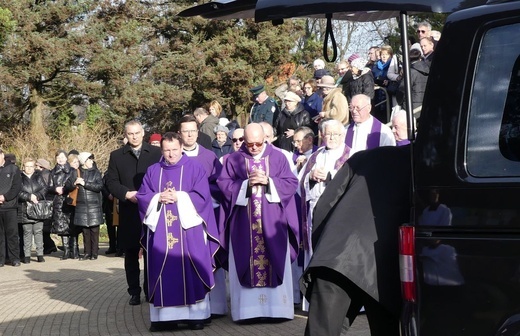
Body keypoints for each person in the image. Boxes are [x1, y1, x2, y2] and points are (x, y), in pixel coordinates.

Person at [302, 145, 411, 336]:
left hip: (335, 257)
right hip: (382, 265)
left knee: (321, 332)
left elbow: (324, 204)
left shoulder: (364, 157)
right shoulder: (422, 164)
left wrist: (324, 250)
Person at [136, 132, 220, 332]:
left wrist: (180, 197)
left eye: (174, 149)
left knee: (191, 267)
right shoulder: (153, 171)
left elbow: (203, 198)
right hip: (161, 235)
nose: (171, 154)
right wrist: (158, 198)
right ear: (162, 150)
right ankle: (164, 318)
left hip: (188, 232)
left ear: (181, 148)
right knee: (162, 269)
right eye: (167, 150)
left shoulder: (195, 168)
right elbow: (142, 196)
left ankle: (196, 316)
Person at [217, 123, 300, 322]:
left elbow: (291, 183)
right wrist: (246, 184)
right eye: (249, 143)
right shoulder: (234, 159)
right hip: (244, 224)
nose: (253, 147)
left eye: (258, 143)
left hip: (273, 222)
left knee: (274, 257)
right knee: (245, 257)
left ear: (265, 139)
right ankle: (248, 312)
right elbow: (223, 184)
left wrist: (269, 181)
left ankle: (277, 310)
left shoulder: (278, 157)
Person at [106, 120, 162, 306]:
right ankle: (134, 292)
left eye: (137, 133)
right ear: (126, 135)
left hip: (152, 210)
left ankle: (150, 290)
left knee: (150, 253)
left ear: (143, 132)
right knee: (130, 254)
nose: (134, 136)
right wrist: (125, 193)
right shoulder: (116, 156)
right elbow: (111, 181)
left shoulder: (156, 153)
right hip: (129, 211)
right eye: (131, 134)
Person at [67, 152, 104, 260]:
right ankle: (87, 253)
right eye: (89, 160)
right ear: (84, 162)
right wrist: (74, 183)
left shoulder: (96, 172)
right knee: (85, 231)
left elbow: (99, 186)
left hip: (94, 205)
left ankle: (95, 253)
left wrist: (85, 183)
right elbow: (67, 186)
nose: (91, 161)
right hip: (81, 205)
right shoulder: (75, 172)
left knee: (94, 230)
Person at [19, 158, 48, 263]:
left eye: (31, 166)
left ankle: (40, 254)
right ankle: (27, 255)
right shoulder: (19, 178)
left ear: (34, 167)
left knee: (38, 231)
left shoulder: (38, 177)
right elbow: (17, 192)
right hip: (24, 208)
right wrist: (28, 196)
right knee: (27, 232)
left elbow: (44, 189)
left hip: (38, 208)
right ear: (24, 167)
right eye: (27, 166)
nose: (29, 168)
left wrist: (36, 196)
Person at [49, 150, 76, 260]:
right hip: (58, 201)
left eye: (62, 157)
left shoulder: (72, 170)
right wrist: (55, 189)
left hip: (70, 199)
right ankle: (66, 250)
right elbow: (48, 187)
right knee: (61, 226)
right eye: (58, 157)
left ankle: (74, 249)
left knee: (72, 225)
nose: (60, 159)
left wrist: (65, 189)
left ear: (66, 158)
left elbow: (74, 184)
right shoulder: (52, 172)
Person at [0, 148, 22, 267]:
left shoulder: (13, 169)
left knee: (12, 234)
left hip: (10, 207)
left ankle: (14, 258)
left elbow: (16, 187)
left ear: (2, 155)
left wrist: (5, 197)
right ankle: (1, 259)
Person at [35, 158, 57, 255]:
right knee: (45, 227)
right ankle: (49, 245)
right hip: (49, 202)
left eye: (37, 166)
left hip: (45, 202)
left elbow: (44, 189)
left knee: (43, 227)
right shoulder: (49, 174)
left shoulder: (43, 175)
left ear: (41, 167)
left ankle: (50, 245)